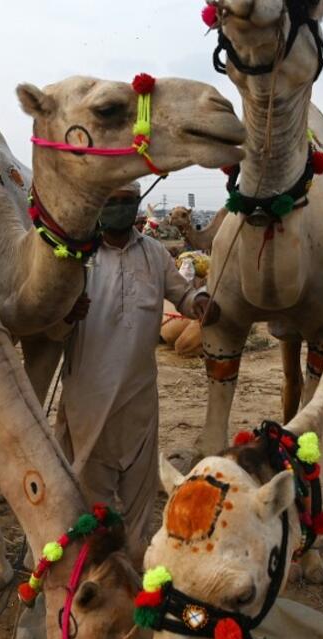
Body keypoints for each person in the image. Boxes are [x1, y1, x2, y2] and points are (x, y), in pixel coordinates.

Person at [55, 183, 217, 557]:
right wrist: (66, 314)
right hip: (88, 399)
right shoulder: (78, 256)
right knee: (93, 505)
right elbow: (50, 324)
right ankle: (99, 569)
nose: (121, 208)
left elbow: (183, 294)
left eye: (128, 201)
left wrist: (201, 301)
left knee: (140, 503)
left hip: (140, 399)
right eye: (113, 200)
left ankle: (135, 572)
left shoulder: (155, 253)